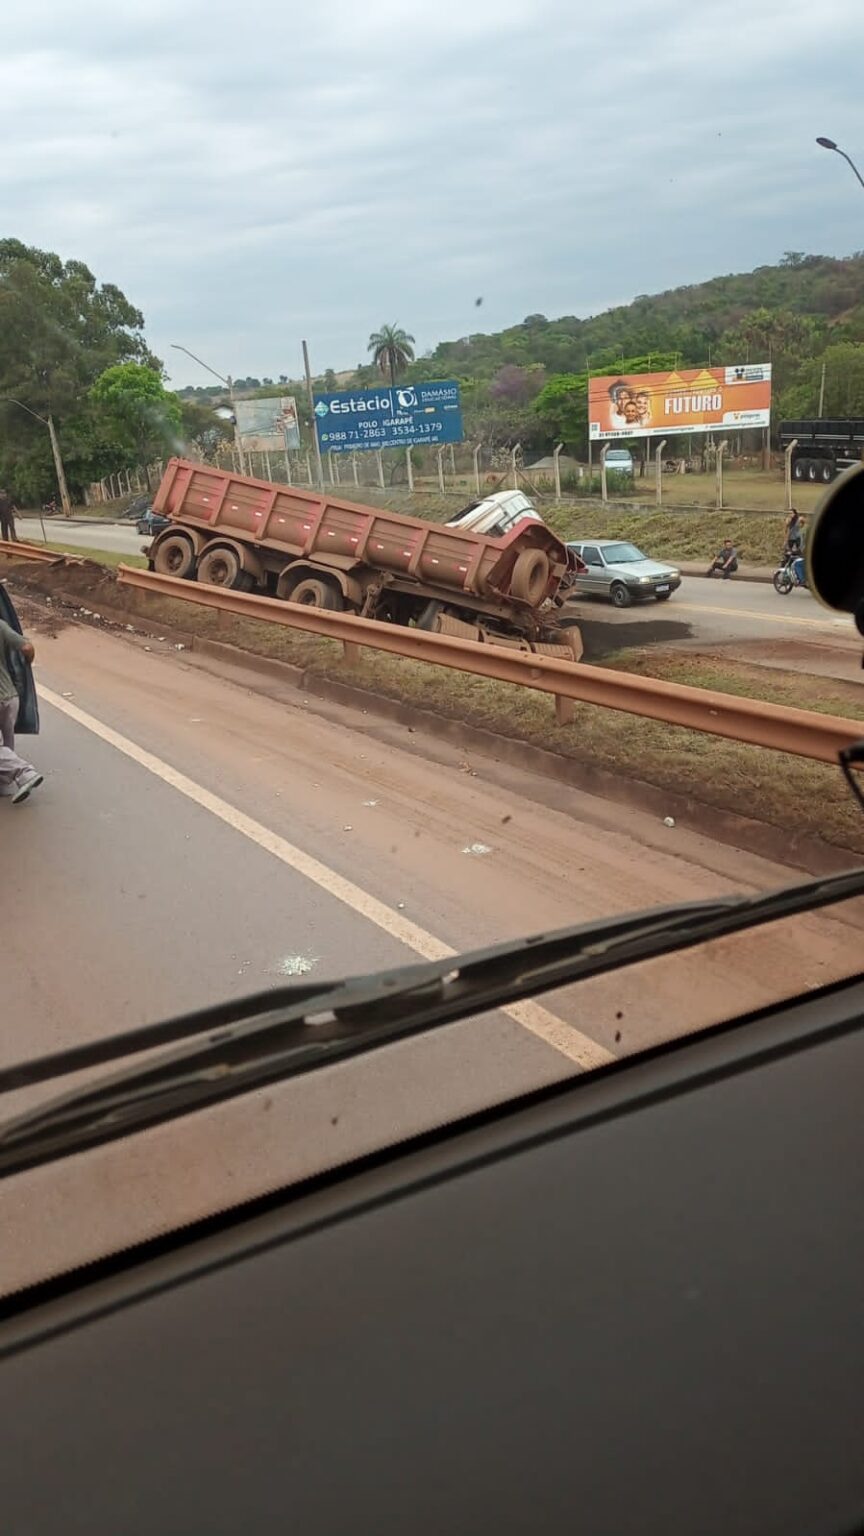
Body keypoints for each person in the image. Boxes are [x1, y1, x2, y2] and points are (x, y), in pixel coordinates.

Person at [0, 616, 43, 803]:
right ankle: (4, 785)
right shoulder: (0, 625)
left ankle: (24, 773)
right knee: (7, 746)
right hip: (10, 697)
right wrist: (26, 665)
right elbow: (27, 647)